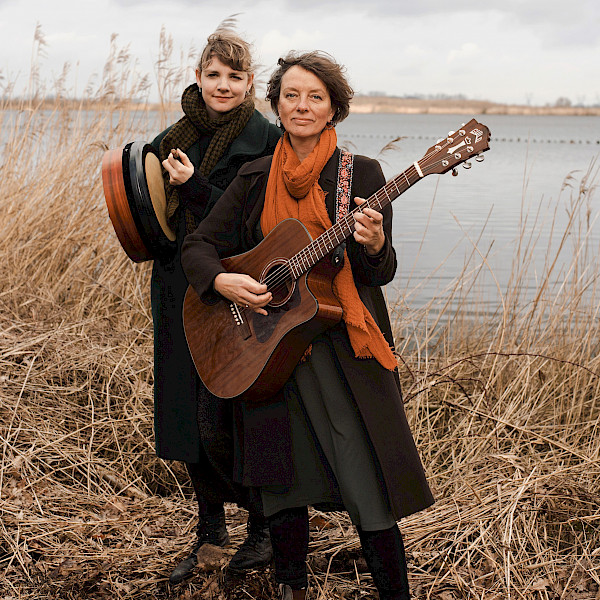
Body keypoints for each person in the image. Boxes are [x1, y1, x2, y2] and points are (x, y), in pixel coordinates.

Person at [181, 51, 434, 600]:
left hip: (343, 350)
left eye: (315, 96)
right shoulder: (252, 176)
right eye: (291, 95)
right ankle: (292, 587)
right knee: (281, 482)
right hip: (269, 350)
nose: (301, 106)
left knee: (367, 479)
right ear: (275, 103)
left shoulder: (360, 174)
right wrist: (222, 283)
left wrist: (374, 243)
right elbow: (198, 246)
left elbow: (378, 273)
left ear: (333, 108)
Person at [150, 26, 281, 585]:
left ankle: (262, 530)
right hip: (179, 286)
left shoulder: (267, 140)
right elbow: (152, 213)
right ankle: (209, 536)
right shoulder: (171, 137)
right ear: (198, 77)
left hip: (235, 287)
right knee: (185, 410)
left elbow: (251, 223)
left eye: (234, 76)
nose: (222, 85)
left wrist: (196, 186)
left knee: (233, 407)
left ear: (249, 82)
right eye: (213, 75)